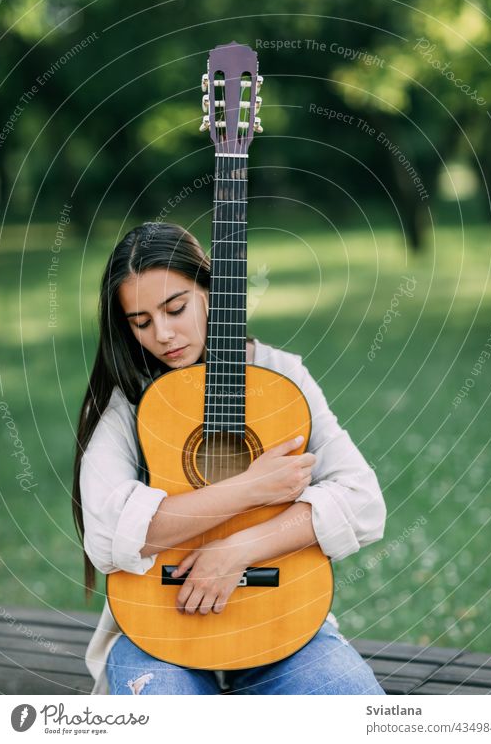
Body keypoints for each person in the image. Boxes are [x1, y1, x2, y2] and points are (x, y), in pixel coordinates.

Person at [72, 222, 387, 695]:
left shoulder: (280, 374)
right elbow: (107, 534)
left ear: (211, 292)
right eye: (140, 321)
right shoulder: (127, 403)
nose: (163, 333)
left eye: (175, 308)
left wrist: (235, 550)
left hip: (282, 617)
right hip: (157, 626)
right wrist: (249, 488)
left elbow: (363, 501)